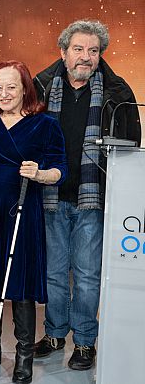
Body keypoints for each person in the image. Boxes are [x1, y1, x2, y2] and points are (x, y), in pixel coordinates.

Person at [32, 19, 141, 370]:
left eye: (93, 51)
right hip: (49, 196)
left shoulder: (118, 92)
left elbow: (132, 143)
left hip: (92, 199)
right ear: (63, 53)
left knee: (87, 273)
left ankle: (84, 342)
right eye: (78, 49)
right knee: (53, 272)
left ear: (100, 56)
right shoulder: (41, 87)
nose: (85, 57)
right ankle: (53, 332)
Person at [0, 61, 67, 383]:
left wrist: (40, 174)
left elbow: (61, 169)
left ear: (24, 89)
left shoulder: (44, 124)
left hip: (22, 211)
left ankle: (23, 356)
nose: (4, 94)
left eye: (11, 87)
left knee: (20, 286)